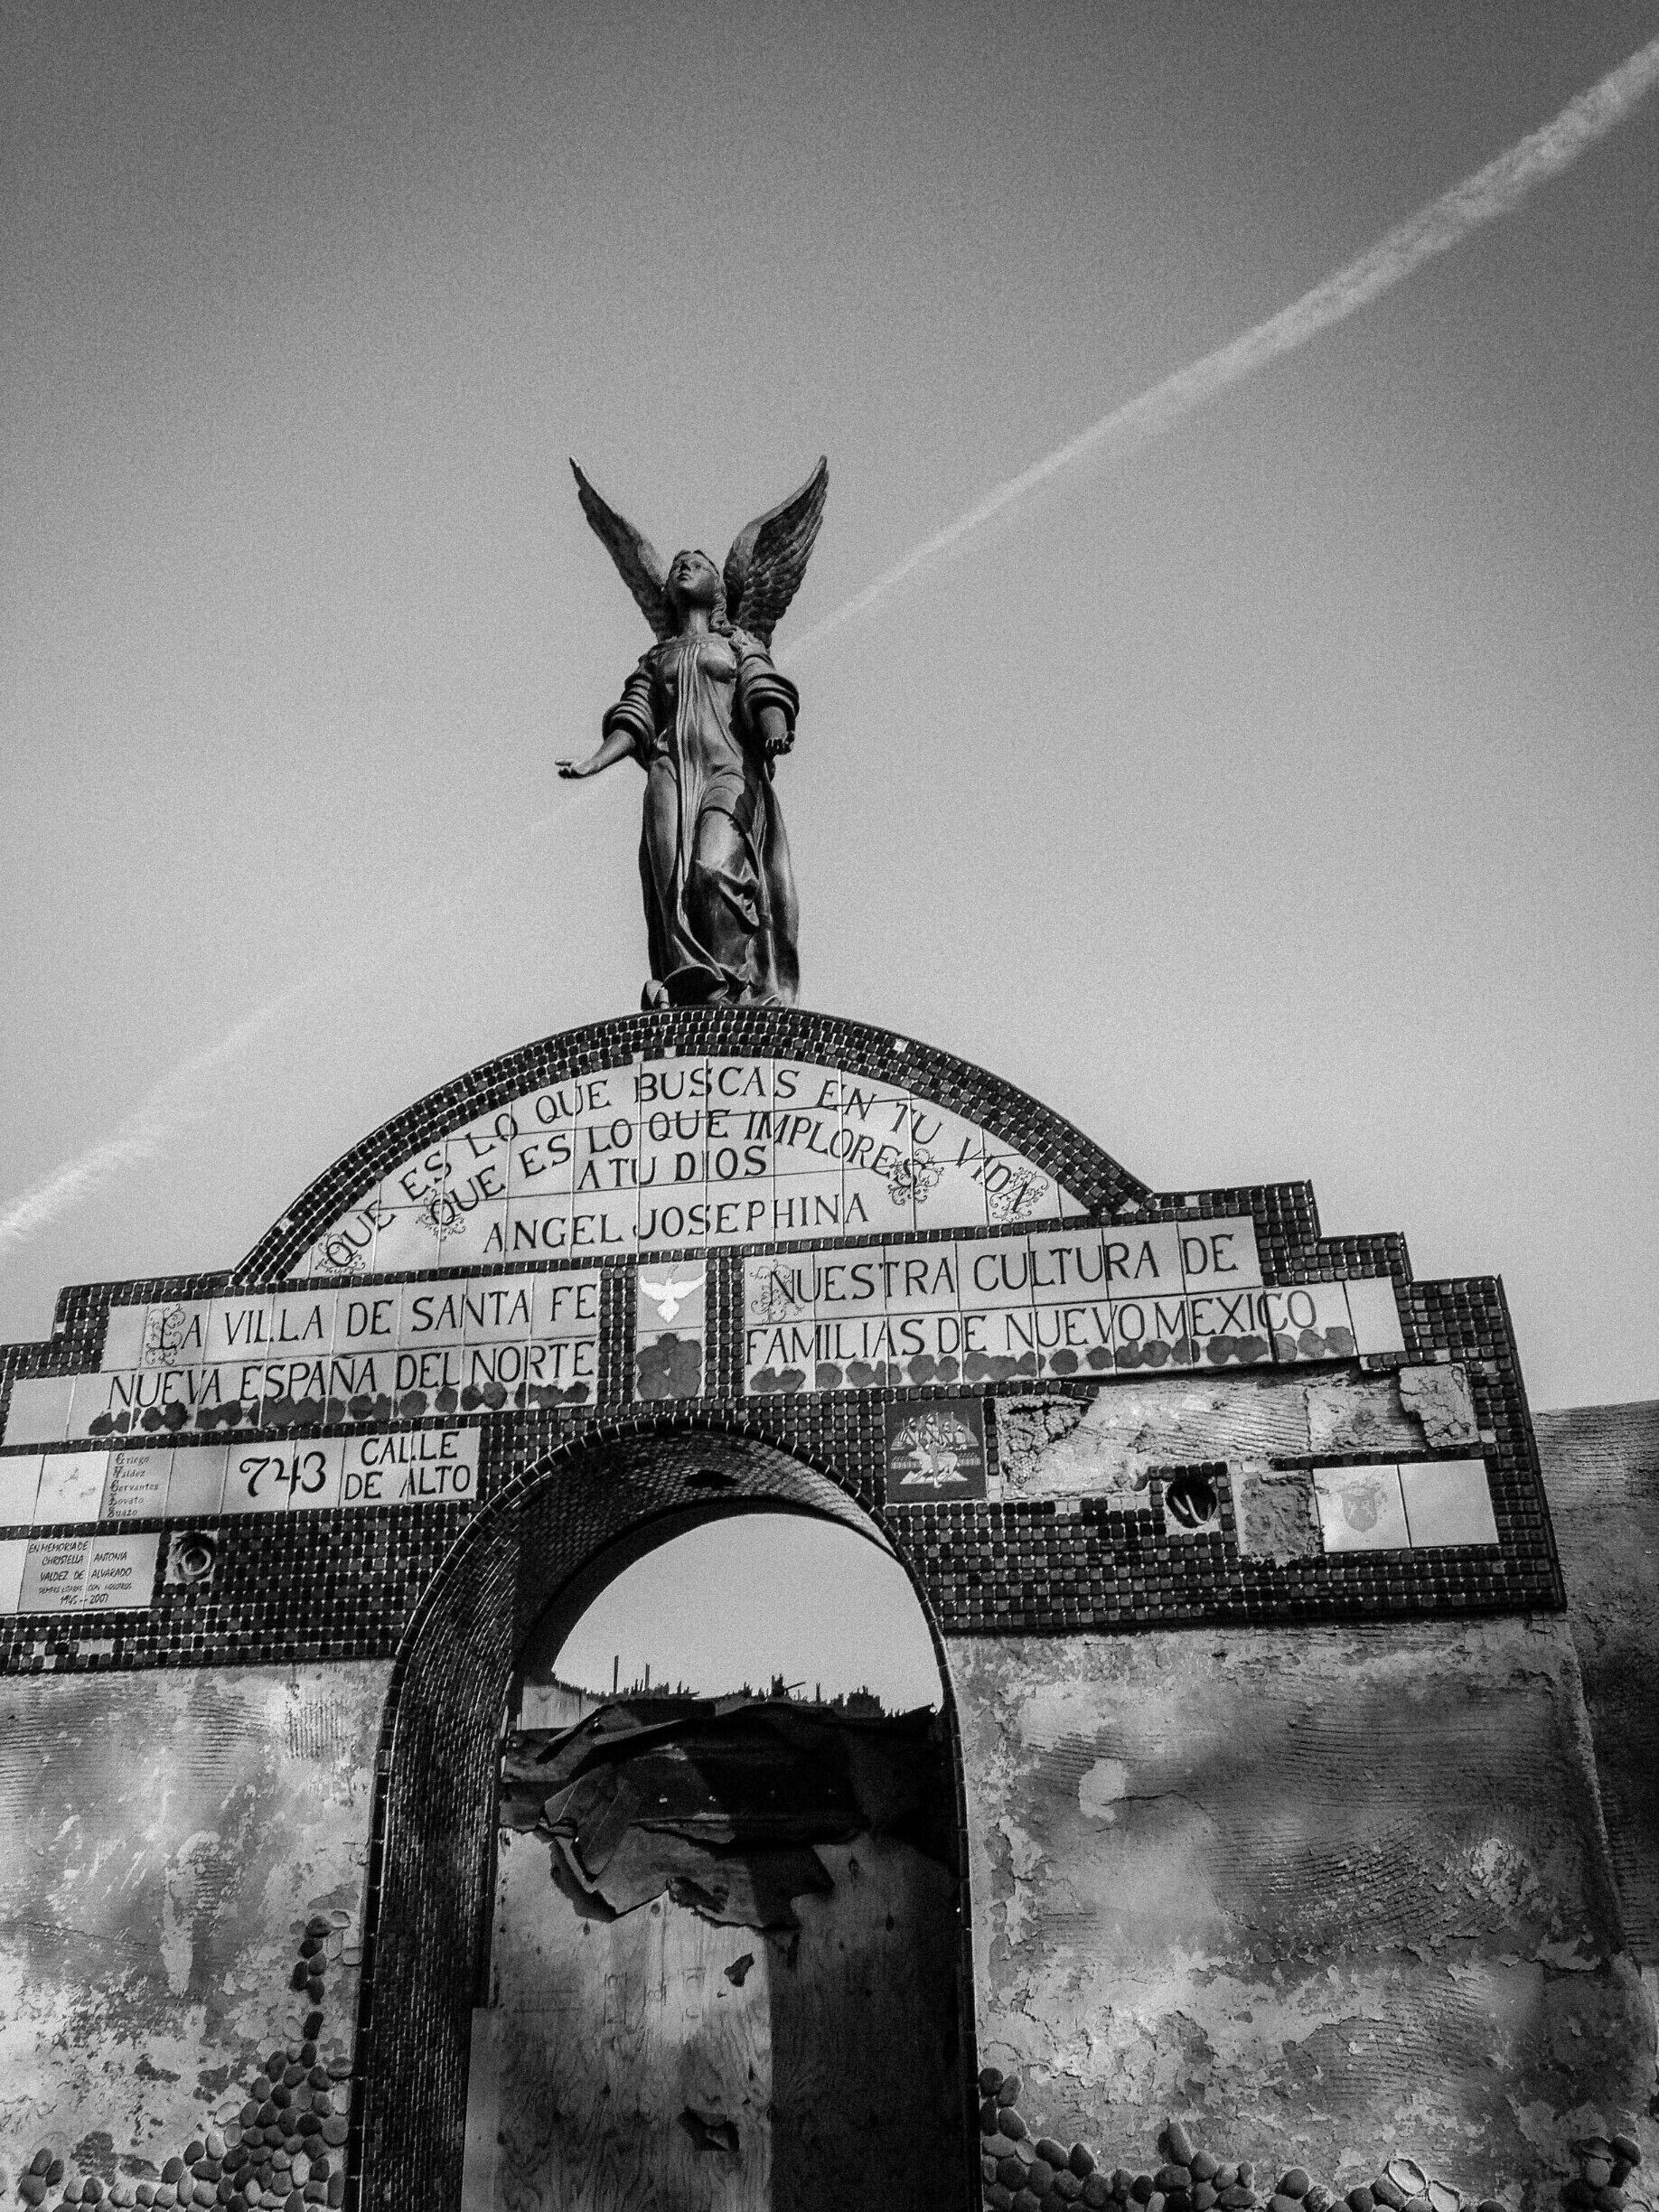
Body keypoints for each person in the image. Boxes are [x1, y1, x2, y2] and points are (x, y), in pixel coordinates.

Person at [559, 460, 827, 1008]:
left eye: (696, 563)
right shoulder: (657, 656)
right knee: (671, 884)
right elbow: (635, 716)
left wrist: (773, 728)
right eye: (677, 563)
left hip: (729, 771)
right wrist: (595, 760)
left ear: (719, 588)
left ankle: (737, 982)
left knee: (711, 868)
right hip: (669, 774)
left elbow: (763, 687)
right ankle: (689, 980)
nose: (683, 565)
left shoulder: (736, 644)